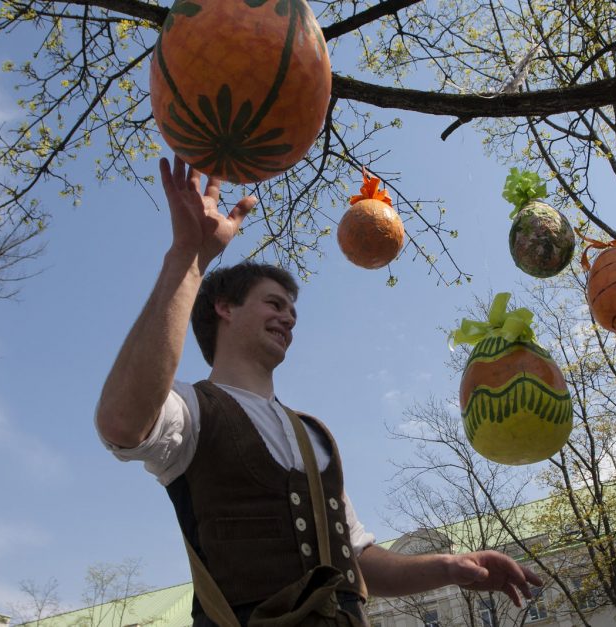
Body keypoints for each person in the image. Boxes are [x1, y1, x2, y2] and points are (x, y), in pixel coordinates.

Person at [95, 156, 543, 626]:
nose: (288, 317)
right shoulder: (191, 410)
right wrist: (189, 259)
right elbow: (123, 423)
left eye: (292, 310)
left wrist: (452, 568)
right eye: (273, 303)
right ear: (224, 308)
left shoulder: (315, 435)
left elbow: (360, 560)